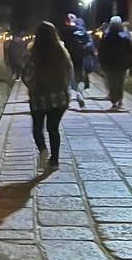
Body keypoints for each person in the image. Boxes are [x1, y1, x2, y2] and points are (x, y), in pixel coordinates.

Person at [23, 21, 73, 171]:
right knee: (53, 128)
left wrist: (32, 87)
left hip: (39, 97)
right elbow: (69, 73)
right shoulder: (61, 52)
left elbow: (27, 76)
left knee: (37, 128)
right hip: (60, 98)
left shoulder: (32, 54)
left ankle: (43, 151)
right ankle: (55, 161)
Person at [98, 16, 132, 110]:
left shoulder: (107, 35)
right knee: (120, 83)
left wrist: (101, 61)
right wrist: (129, 61)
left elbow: (101, 49)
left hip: (109, 63)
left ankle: (114, 102)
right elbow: (130, 49)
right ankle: (120, 100)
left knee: (112, 83)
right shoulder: (125, 35)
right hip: (122, 63)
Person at [59, 13, 87, 108]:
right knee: (79, 78)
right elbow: (88, 43)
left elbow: (60, 44)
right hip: (79, 58)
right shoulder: (81, 30)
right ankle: (79, 95)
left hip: (67, 58)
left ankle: (68, 99)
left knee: (67, 79)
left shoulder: (63, 31)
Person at [77, 17, 96, 90]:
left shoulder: (80, 32)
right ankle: (85, 83)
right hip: (85, 54)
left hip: (82, 55)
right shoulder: (86, 33)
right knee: (84, 71)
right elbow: (91, 44)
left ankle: (83, 84)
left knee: (82, 70)